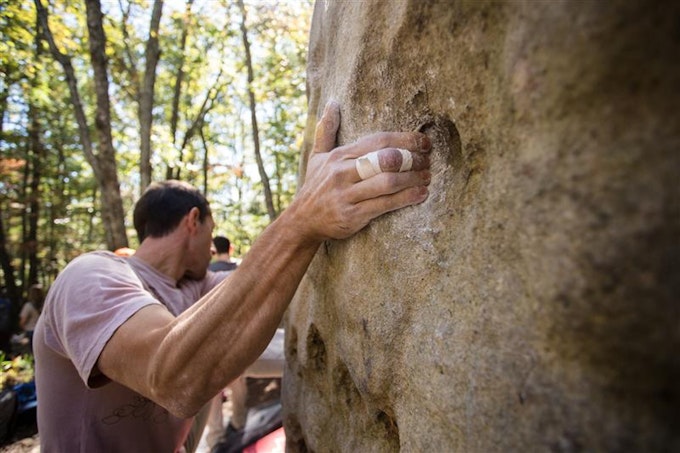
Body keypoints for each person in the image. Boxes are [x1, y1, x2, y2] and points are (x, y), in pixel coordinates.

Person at [33, 101, 432, 452]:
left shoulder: (197, 288)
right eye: (211, 229)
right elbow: (172, 377)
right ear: (193, 221)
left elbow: (257, 298)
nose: (213, 245)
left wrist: (323, 209)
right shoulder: (90, 278)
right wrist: (301, 219)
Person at [19, 284, 43, 350]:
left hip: (31, 332)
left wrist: (22, 327)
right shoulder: (45, 305)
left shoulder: (28, 306)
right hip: (42, 331)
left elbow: (23, 321)